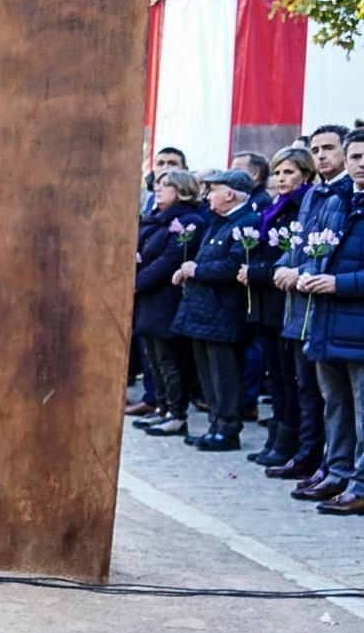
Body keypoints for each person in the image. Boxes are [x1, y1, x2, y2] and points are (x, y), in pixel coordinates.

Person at [270, 125, 354, 489]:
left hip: (326, 304)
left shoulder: (347, 194)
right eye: (316, 149)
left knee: (336, 397)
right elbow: (302, 242)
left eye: (329, 148)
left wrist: (302, 271)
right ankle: (315, 458)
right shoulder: (313, 196)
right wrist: (284, 266)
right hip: (302, 306)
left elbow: (331, 253)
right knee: (308, 387)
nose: (321, 155)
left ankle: (332, 465)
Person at [293, 127, 364, 513]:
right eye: (355, 157)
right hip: (327, 319)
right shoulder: (336, 199)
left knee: (362, 407)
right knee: (335, 404)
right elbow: (312, 248)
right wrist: (307, 271)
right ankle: (337, 472)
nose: (361, 164)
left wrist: (339, 283)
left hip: (356, 321)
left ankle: (361, 482)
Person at [170, 169, 260, 451]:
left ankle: (228, 429)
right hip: (203, 310)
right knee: (209, 374)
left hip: (222, 311)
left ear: (230, 193)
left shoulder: (247, 222)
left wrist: (197, 270)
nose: (208, 196)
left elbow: (234, 266)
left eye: (213, 190)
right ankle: (215, 426)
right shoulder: (219, 221)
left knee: (224, 374)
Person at [239, 147, 314, 466]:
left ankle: (290, 441)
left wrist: (255, 271)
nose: (282, 179)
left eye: (290, 172)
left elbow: (287, 258)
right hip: (267, 302)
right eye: (279, 173)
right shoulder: (275, 207)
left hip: (284, 299)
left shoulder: (300, 208)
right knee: (277, 370)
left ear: (304, 175)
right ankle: (277, 439)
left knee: (288, 375)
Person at [131, 170, 205, 436]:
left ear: (182, 191)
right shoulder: (157, 222)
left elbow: (168, 261)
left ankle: (176, 413)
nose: (158, 189)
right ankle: (162, 408)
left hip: (166, 298)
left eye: (166, 185)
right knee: (153, 358)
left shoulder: (189, 221)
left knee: (168, 358)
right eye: (158, 185)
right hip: (149, 299)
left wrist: (136, 282)